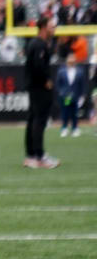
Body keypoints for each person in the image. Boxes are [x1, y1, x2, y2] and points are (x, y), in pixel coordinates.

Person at [24, 16, 58, 168]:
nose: (54, 29)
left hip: (34, 87)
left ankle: (31, 155)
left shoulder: (35, 43)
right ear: (44, 27)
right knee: (39, 121)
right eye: (51, 26)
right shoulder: (39, 45)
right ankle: (39, 156)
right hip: (39, 88)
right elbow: (38, 66)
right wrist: (46, 80)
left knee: (33, 120)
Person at [55, 52, 87, 138]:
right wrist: (61, 93)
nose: (71, 61)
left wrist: (83, 96)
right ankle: (64, 128)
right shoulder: (62, 71)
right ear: (67, 61)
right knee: (65, 112)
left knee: (75, 113)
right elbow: (58, 84)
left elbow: (82, 84)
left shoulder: (79, 71)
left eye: (73, 59)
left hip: (75, 96)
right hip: (66, 96)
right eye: (70, 59)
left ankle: (75, 128)